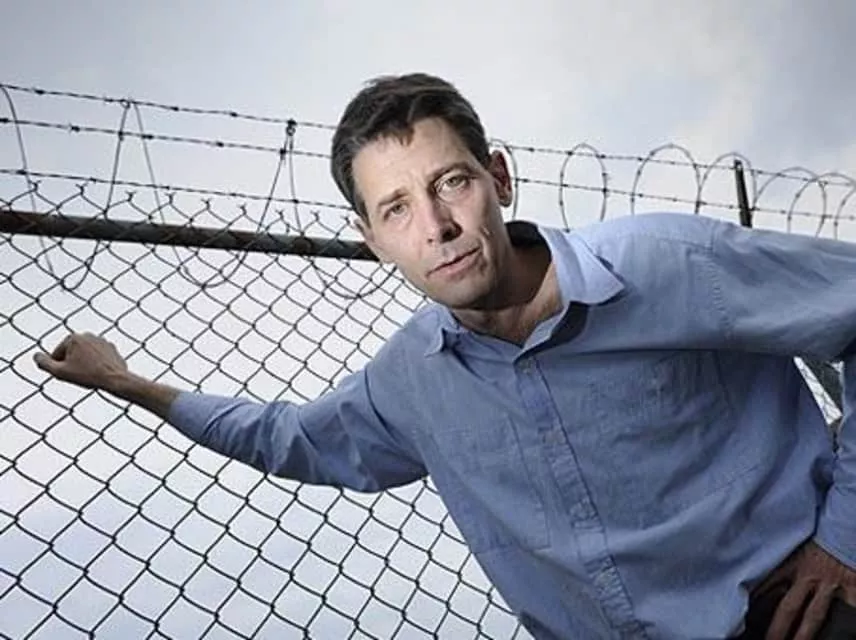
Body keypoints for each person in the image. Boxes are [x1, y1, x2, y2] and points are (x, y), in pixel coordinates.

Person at [33, 73, 856, 639]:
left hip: (805, 611)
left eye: (450, 183)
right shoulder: (409, 382)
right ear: (371, 238)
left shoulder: (663, 264)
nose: (437, 227)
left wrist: (845, 537)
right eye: (396, 208)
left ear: (498, 178)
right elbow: (291, 438)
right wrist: (124, 382)